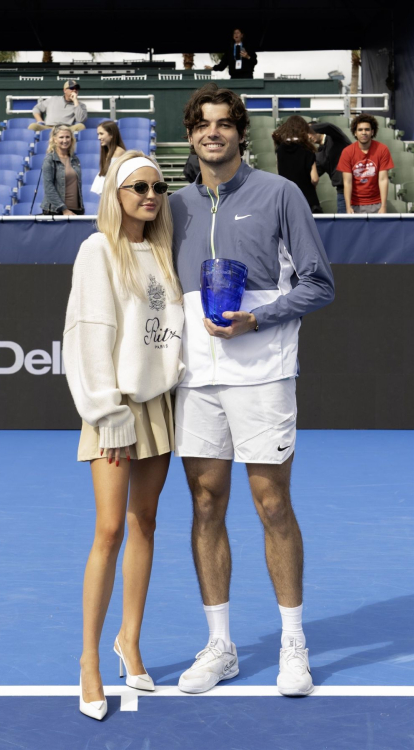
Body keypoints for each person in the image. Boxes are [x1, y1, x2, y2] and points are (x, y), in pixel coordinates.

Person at [169, 84, 334, 697]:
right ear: (190, 136)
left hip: (263, 373)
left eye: (223, 124)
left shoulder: (282, 194)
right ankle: (221, 646)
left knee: (271, 506)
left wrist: (256, 319)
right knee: (206, 505)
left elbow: (320, 284)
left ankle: (294, 644)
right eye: (202, 125)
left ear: (241, 133)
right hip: (196, 381)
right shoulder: (174, 205)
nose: (212, 133)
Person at [63, 151, 185, 721]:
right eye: (138, 186)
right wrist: (106, 410)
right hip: (115, 407)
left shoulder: (162, 250)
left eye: (158, 186)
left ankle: (128, 640)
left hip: (159, 402)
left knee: (145, 522)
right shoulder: (97, 250)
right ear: (114, 191)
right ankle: (89, 659)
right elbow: (87, 336)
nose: (150, 194)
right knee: (109, 528)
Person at [337, 114, 394, 214]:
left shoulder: (382, 149)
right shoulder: (347, 152)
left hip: (377, 203)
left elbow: (383, 179)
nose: (364, 133)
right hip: (354, 204)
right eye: (360, 130)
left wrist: (383, 206)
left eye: (367, 129)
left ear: (372, 132)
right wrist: (348, 206)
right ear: (355, 133)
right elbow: (347, 182)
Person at [272, 115, 322, 213]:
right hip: (307, 199)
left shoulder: (280, 149)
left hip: (287, 198)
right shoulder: (308, 149)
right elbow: (314, 178)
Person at [40, 125, 84, 216]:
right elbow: (49, 188)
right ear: (54, 139)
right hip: (56, 211)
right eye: (61, 137)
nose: (65, 140)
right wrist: (64, 210)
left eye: (67, 137)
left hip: (75, 211)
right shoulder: (49, 160)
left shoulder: (75, 159)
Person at [309, 122, 352, 214]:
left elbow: (329, 126)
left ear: (318, 129)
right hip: (342, 192)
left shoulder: (334, 137)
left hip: (358, 189)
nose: (308, 136)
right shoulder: (318, 154)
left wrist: (303, 128)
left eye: (310, 132)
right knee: (345, 225)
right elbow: (313, 174)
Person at [90, 120, 126, 196]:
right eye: (98, 134)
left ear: (112, 134)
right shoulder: (107, 151)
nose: (99, 137)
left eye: (101, 134)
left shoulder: (119, 152)